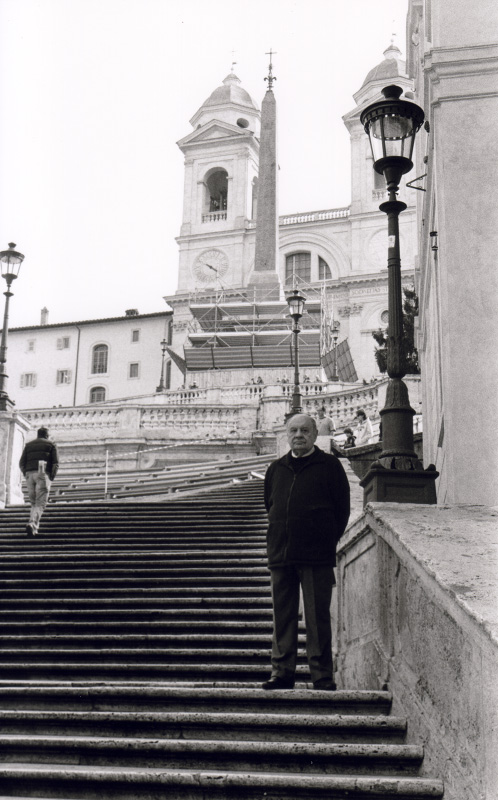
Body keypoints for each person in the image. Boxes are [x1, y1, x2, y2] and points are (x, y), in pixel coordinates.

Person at [263, 413, 350, 691]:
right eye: (293, 430)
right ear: (286, 435)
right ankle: (282, 673)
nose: (298, 435)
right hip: (282, 554)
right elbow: (270, 506)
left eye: (304, 430)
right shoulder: (275, 469)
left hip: (316, 555)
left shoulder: (330, 466)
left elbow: (342, 510)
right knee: (282, 618)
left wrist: (325, 540)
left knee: (317, 617)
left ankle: (322, 676)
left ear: (314, 435)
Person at [19, 427, 59, 537]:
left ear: (38, 435)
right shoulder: (51, 445)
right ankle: (32, 524)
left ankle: (34, 526)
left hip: (29, 474)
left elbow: (21, 462)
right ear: (47, 435)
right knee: (40, 502)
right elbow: (55, 463)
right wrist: (51, 477)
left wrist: (26, 473)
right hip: (42, 473)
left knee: (33, 503)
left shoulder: (29, 445)